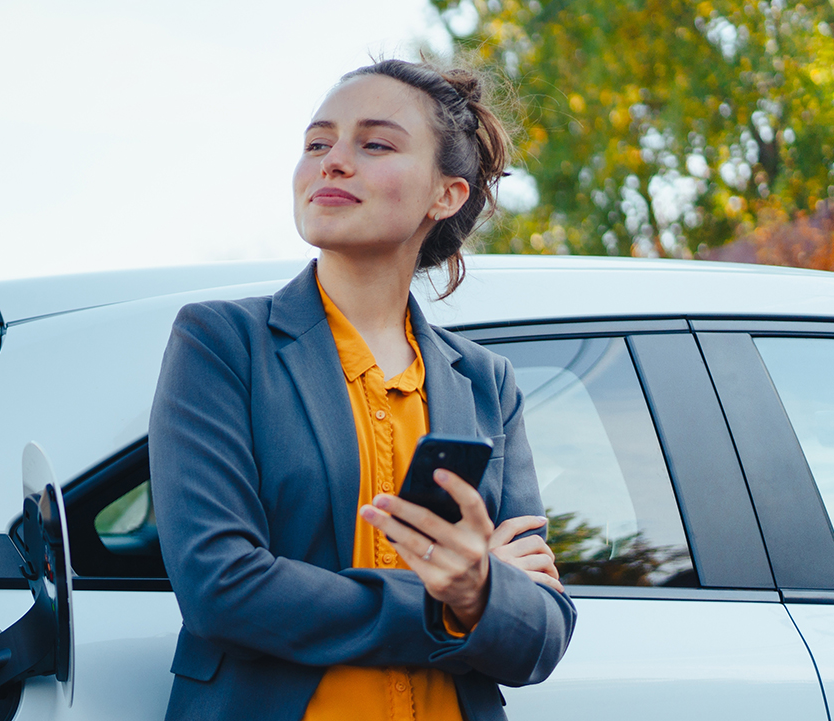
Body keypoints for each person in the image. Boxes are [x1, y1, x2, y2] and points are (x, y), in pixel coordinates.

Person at [149, 55, 576, 721]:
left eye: (374, 144)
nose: (333, 161)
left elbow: (542, 634)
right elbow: (222, 586)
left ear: (446, 194)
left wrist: (488, 593)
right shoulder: (222, 342)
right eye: (318, 142)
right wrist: (460, 598)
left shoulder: (488, 383)